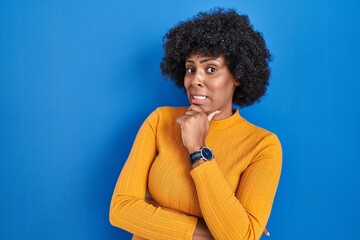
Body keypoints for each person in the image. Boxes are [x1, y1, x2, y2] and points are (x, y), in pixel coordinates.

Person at [109, 8, 282, 240]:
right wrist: (208, 232)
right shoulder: (160, 121)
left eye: (211, 69)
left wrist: (198, 151)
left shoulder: (263, 146)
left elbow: (241, 236)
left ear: (238, 76)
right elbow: (121, 210)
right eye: (191, 69)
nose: (195, 80)